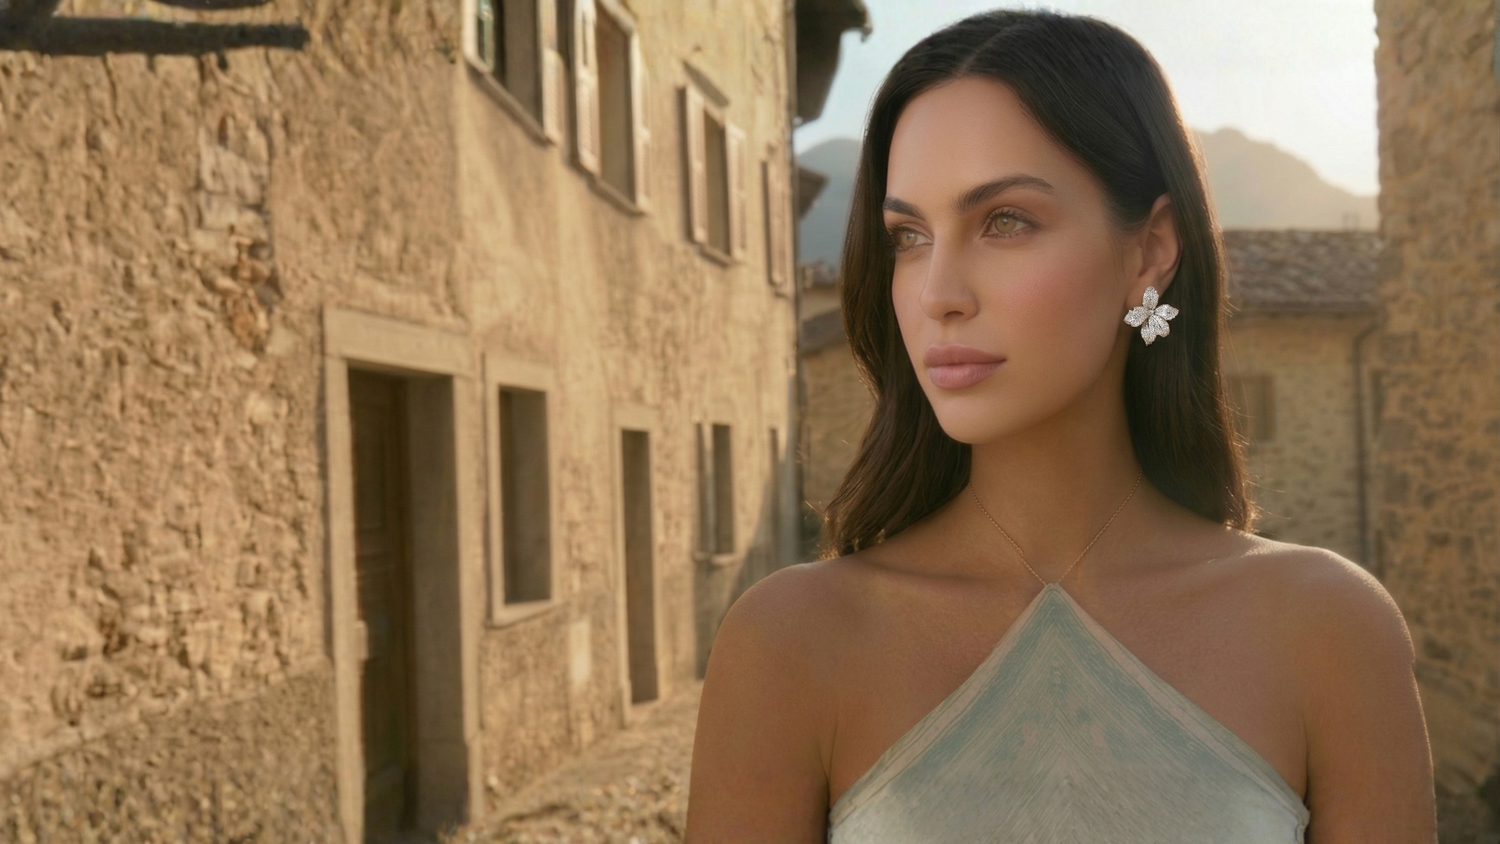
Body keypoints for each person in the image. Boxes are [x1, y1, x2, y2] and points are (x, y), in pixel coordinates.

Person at [683, 8, 1438, 843]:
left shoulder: (1329, 630)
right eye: (908, 235)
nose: (938, 292)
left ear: (1150, 251)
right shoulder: (789, 642)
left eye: (1004, 220)